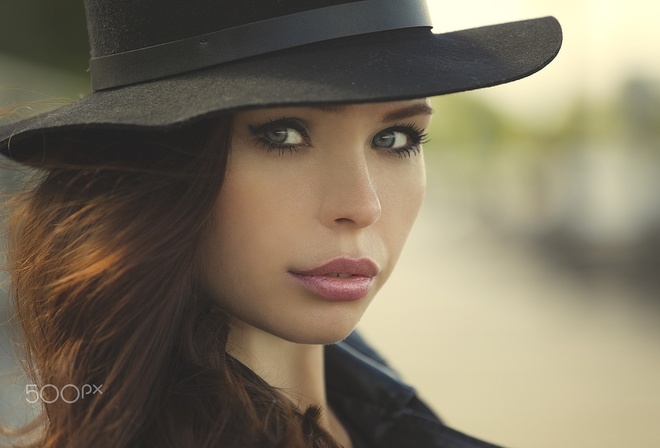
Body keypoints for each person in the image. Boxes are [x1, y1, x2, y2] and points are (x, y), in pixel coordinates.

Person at [0, 0, 562, 447]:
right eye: (284, 134)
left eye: (395, 139)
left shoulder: (380, 412)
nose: (361, 205)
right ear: (156, 165)